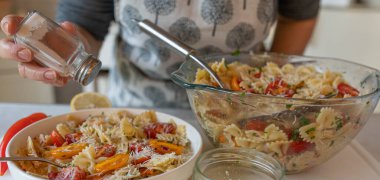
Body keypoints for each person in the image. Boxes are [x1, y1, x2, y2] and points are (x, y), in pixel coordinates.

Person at [0, 0, 320, 108]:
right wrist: (53, 50)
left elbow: (298, 14)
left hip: (245, 108)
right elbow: (84, 26)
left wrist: (271, 87)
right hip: (140, 111)